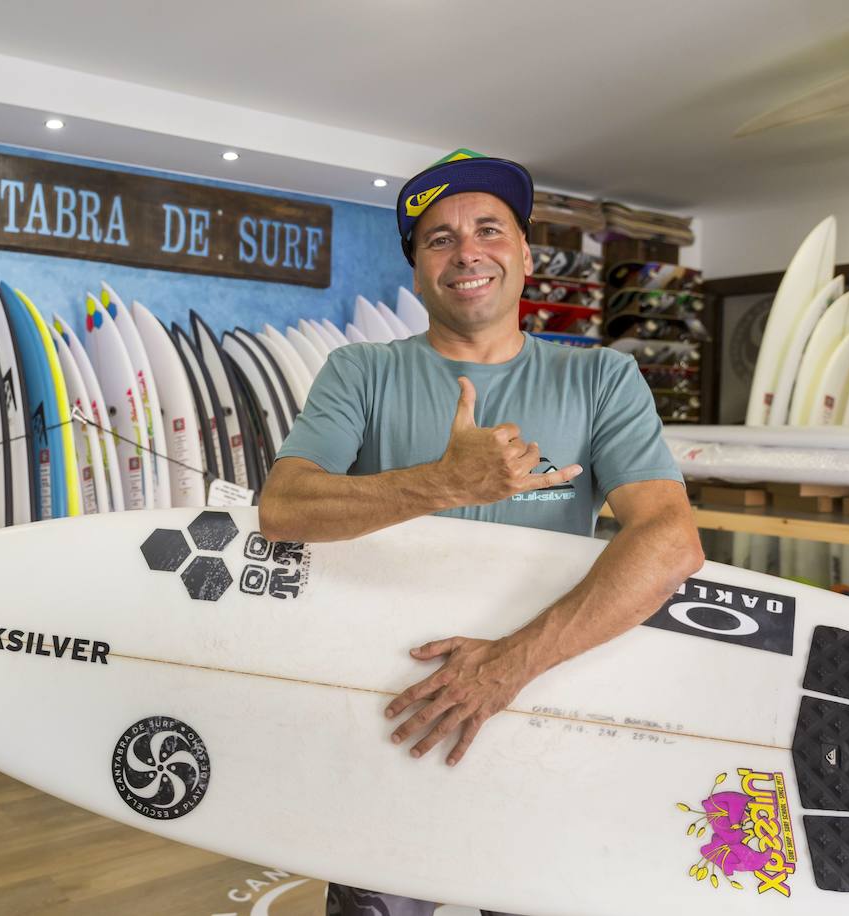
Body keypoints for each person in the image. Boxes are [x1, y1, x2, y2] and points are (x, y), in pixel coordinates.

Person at [256, 150, 704, 916]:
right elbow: (283, 508)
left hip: (543, 703)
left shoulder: (599, 380)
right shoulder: (360, 372)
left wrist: (505, 667)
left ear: (526, 255)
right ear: (418, 269)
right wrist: (444, 482)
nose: (466, 250)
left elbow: (670, 541)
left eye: (489, 229)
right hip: (394, 713)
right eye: (438, 238)